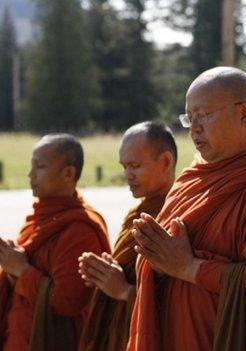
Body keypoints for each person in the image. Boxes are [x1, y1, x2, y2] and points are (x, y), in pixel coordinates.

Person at [126, 67, 246, 351]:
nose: (194, 128)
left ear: (244, 114)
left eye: (203, 116)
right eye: (189, 119)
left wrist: (189, 268)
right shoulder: (192, 178)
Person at [0, 134, 110, 351]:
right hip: (19, 337)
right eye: (32, 166)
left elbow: (68, 301)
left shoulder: (79, 231)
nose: (31, 175)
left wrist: (21, 270)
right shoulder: (40, 218)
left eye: (39, 167)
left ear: (68, 173)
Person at [78, 121, 177, 351]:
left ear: (166, 161)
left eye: (134, 165)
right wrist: (105, 274)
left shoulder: (175, 215)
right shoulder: (139, 212)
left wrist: (124, 291)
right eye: (124, 166)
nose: (127, 175)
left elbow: (179, 299)